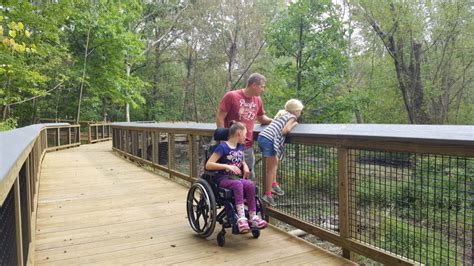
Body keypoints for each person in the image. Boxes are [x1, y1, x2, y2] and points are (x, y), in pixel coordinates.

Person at [206, 122, 268, 233]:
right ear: (239, 133)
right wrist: (226, 166)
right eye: (245, 134)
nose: (247, 137)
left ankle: (253, 217)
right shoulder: (222, 147)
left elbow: (241, 159)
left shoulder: (240, 146)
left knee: (249, 184)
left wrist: (244, 166)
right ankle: (241, 219)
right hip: (222, 178)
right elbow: (209, 164)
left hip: (235, 177)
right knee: (238, 184)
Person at [216, 73, 272, 180]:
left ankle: (246, 197)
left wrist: (276, 121)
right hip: (230, 145)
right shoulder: (232, 96)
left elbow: (261, 118)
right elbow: (220, 117)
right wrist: (223, 141)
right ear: (254, 85)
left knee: (248, 175)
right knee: (230, 175)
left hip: (247, 145)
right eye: (262, 86)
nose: (263, 89)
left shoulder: (258, 100)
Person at [257, 99, 304, 206]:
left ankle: (274, 184)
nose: (300, 113)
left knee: (275, 161)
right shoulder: (292, 117)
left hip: (263, 137)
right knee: (271, 168)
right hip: (269, 140)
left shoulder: (282, 114)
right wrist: (294, 124)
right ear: (296, 111)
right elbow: (285, 130)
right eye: (300, 111)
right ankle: (268, 195)